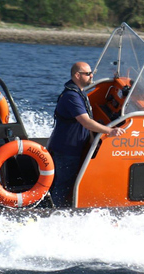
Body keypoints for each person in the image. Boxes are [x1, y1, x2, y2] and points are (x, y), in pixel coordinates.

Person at [48, 62, 125, 207]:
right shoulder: (72, 96)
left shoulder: (79, 91)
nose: (91, 76)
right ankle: (55, 212)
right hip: (67, 149)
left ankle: (57, 207)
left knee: (64, 182)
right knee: (62, 184)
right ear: (77, 75)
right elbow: (86, 122)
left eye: (91, 73)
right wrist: (110, 131)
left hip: (72, 146)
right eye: (88, 73)